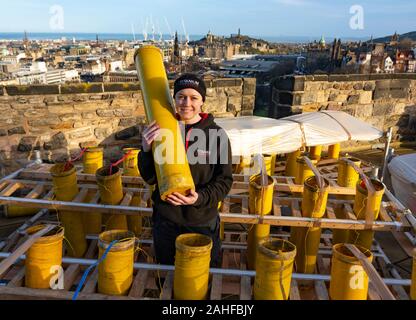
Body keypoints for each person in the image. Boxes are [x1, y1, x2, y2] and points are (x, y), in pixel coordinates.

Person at [138, 73, 233, 267]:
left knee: (200, 277)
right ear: (174, 99)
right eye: (181, 96)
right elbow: (149, 177)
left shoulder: (217, 135)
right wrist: (146, 150)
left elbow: (224, 181)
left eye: (193, 97)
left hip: (201, 221)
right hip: (166, 219)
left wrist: (199, 198)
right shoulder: (162, 130)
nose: (186, 103)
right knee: (166, 272)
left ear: (202, 101)